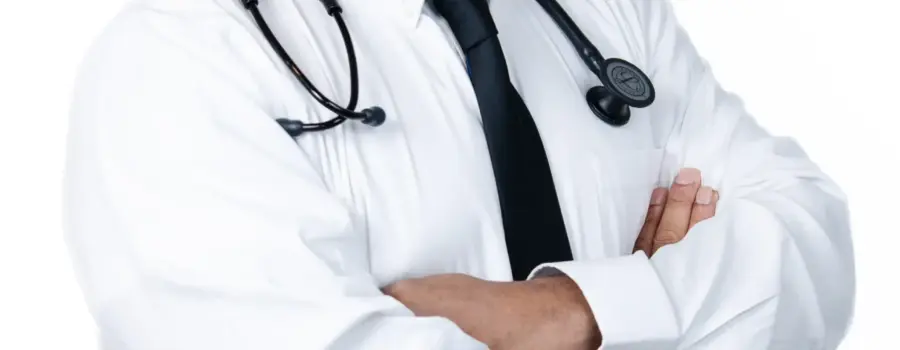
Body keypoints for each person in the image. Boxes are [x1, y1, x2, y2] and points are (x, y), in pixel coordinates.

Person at [63, 0, 855, 349]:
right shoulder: (178, 59)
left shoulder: (604, 13)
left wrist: (568, 313)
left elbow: (811, 244)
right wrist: (672, 312)